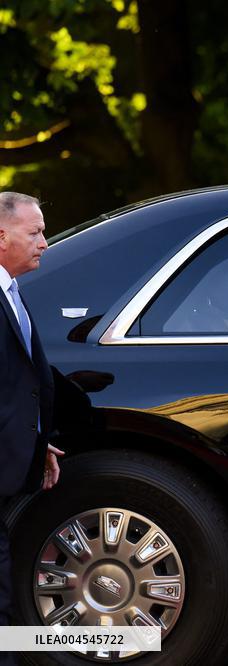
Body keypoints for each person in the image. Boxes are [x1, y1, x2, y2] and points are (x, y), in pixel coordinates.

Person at [0, 192, 64, 663]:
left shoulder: (13, 293)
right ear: (1, 237)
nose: (45, 241)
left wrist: (39, 441)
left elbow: (22, 382)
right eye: (35, 232)